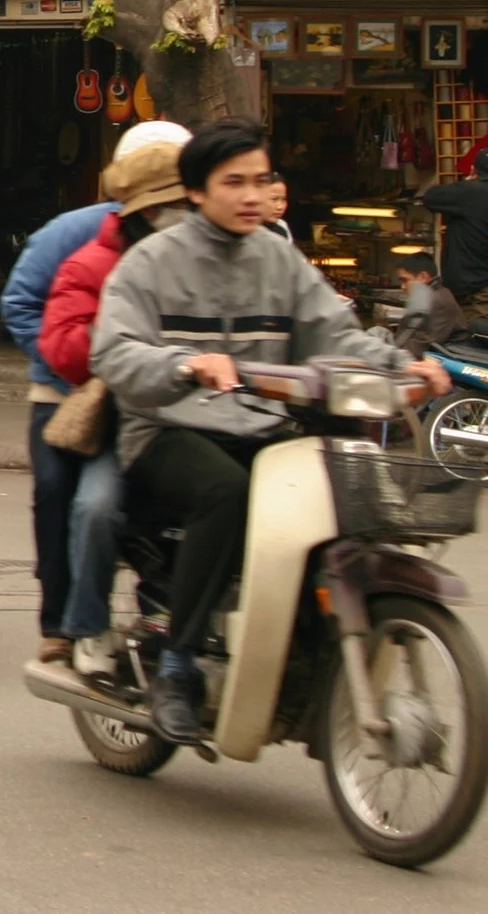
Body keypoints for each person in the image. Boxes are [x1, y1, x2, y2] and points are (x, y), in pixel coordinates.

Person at [91, 118, 448, 742]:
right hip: (167, 429)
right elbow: (114, 354)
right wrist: (185, 365)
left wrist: (405, 365)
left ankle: (306, 650)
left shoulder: (281, 259)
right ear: (197, 191)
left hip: (267, 424)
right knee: (224, 491)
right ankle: (177, 666)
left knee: (343, 495)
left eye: (261, 180)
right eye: (234, 182)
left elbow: (336, 333)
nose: (252, 195)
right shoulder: (149, 262)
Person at [3, 120, 191, 665]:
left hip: (158, 400)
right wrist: (74, 366)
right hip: (67, 398)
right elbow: (20, 303)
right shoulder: (74, 235)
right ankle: (62, 621)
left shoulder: (207, 240)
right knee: (62, 494)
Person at [420, 157, 488, 323]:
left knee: (475, 343)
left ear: (473, 170)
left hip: (476, 290)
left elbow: (430, 197)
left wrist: (467, 183)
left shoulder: (470, 192)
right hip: (478, 287)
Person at [388, 250, 463, 355]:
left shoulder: (436, 301)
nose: (403, 287)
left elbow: (420, 346)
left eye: (405, 280)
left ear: (423, 277)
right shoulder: (431, 297)